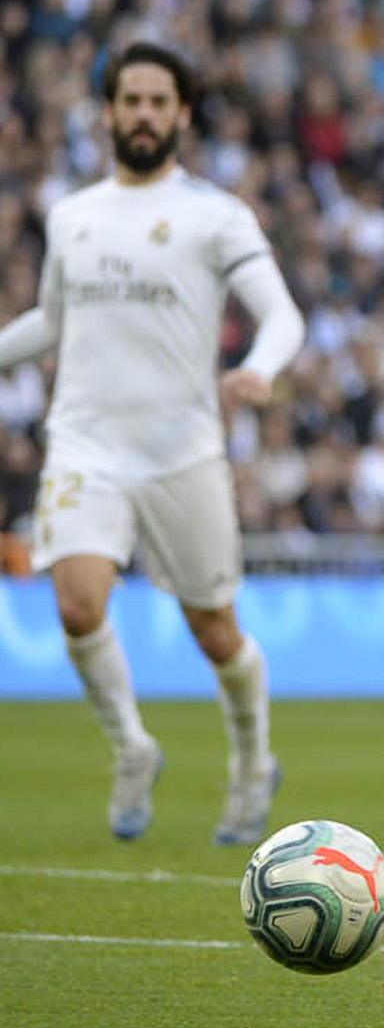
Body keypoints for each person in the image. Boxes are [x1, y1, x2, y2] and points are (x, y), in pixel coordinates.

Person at [0, 42, 305, 845]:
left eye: (157, 102)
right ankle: (132, 747)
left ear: (181, 114)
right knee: (76, 603)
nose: (142, 114)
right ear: (107, 113)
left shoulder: (216, 214)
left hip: (181, 451)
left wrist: (260, 368)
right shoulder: (73, 215)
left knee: (215, 628)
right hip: (86, 445)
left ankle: (250, 764)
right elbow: (54, 325)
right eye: (129, 100)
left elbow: (283, 315)